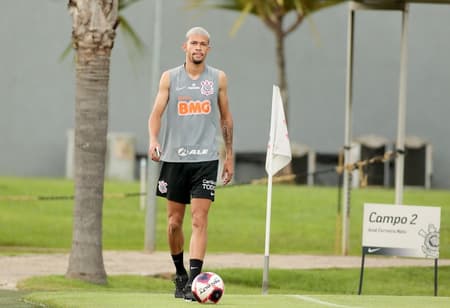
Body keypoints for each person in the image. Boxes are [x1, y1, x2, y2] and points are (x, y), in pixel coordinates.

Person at [147, 26, 234, 301]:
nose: (198, 48)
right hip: (174, 159)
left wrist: (228, 154)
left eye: (203, 44)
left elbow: (226, 118)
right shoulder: (170, 78)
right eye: (194, 43)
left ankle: (196, 282)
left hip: (206, 159)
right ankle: (180, 274)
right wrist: (153, 139)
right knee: (174, 222)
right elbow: (156, 113)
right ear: (185, 47)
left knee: (200, 219)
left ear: (209, 49)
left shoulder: (218, 79)